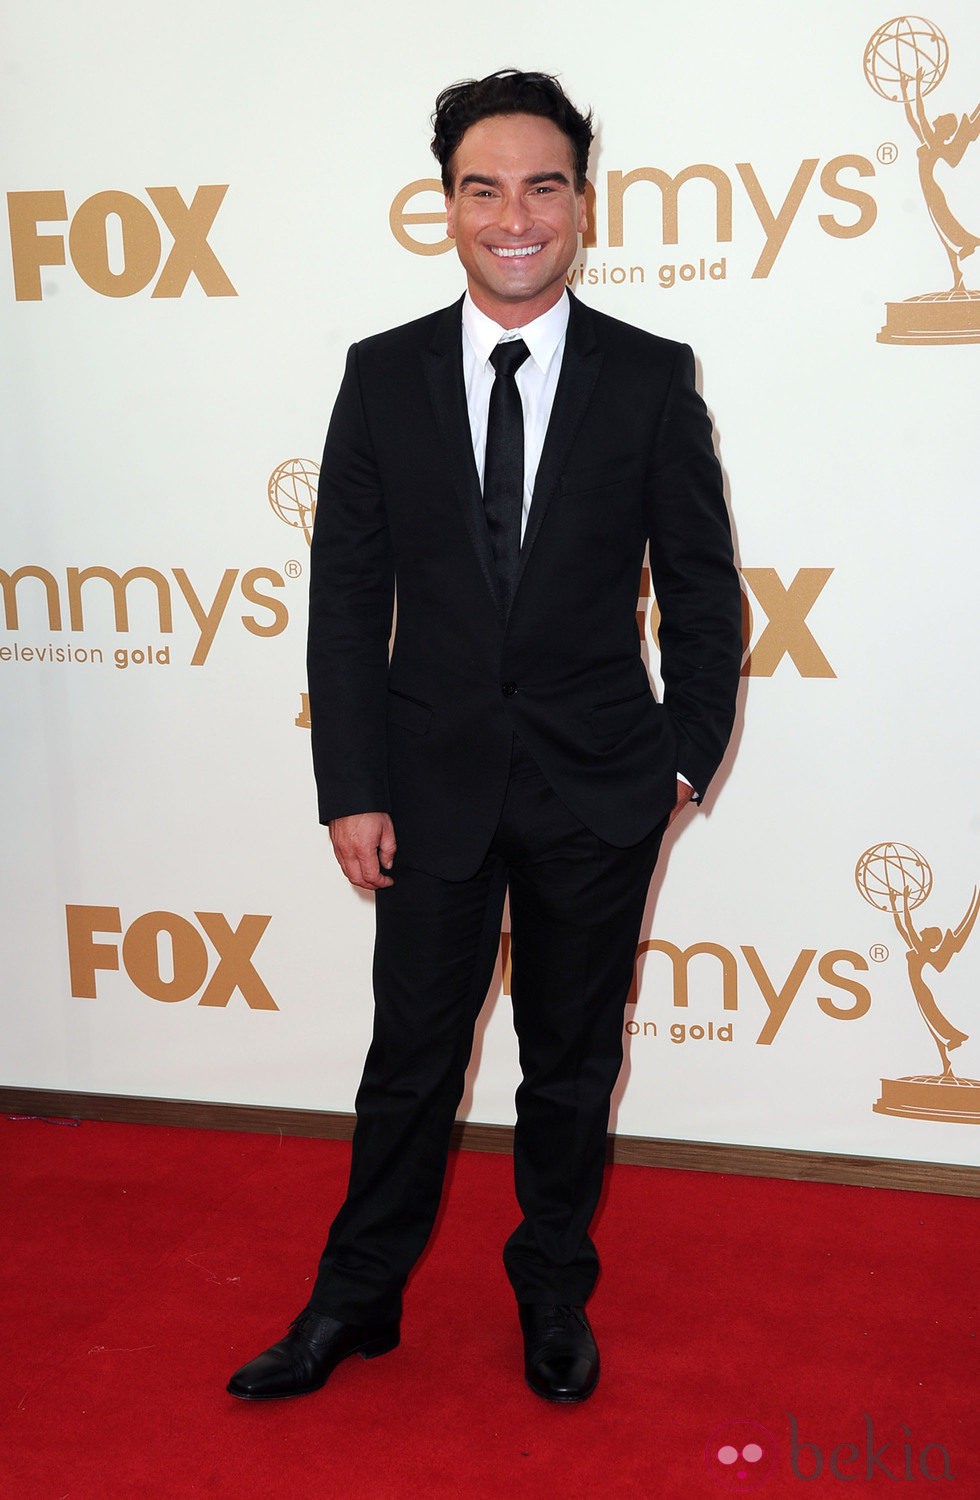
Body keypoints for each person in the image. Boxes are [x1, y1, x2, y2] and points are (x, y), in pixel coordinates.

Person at [229, 68, 742, 1406]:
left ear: (582, 201)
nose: (514, 214)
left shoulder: (647, 377)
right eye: (483, 186)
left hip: (598, 790)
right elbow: (345, 597)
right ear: (446, 204)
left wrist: (682, 759)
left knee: (571, 1066)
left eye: (543, 184)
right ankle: (358, 1297)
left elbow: (699, 588)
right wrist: (350, 784)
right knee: (411, 1058)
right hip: (428, 784)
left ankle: (553, 1291)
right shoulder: (383, 374)